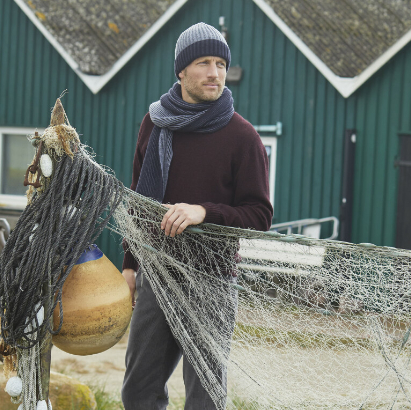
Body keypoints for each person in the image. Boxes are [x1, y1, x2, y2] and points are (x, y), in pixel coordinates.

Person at [121, 22, 273, 410]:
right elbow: (140, 201)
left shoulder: (243, 137)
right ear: (182, 71)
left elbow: (259, 214)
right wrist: (129, 266)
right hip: (157, 275)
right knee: (138, 391)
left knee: (205, 398)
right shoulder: (155, 123)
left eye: (221, 63)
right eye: (204, 62)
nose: (214, 72)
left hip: (212, 282)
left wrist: (203, 212)